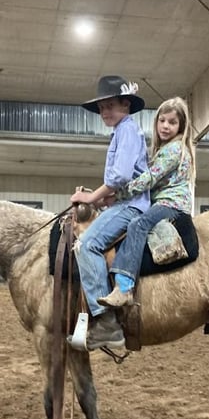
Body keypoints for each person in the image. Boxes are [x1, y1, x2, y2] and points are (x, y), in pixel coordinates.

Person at [69, 75, 150, 350]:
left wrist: (90, 197)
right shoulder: (122, 131)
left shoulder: (127, 130)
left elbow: (121, 175)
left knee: (86, 245)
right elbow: (125, 181)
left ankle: (106, 323)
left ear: (125, 105)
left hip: (131, 207)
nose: (105, 112)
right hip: (123, 202)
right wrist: (104, 201)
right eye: (102, 108)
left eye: (110, 106)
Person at [98, 96, 196, 308]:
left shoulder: (174, 149)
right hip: (163, 203)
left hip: (171, 204)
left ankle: (124, 287)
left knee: (137, 224)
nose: (166, 126)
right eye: (162, 121)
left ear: (181, 127)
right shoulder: (165, 149)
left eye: (172, 122)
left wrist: (118, 195)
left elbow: (148, 179)